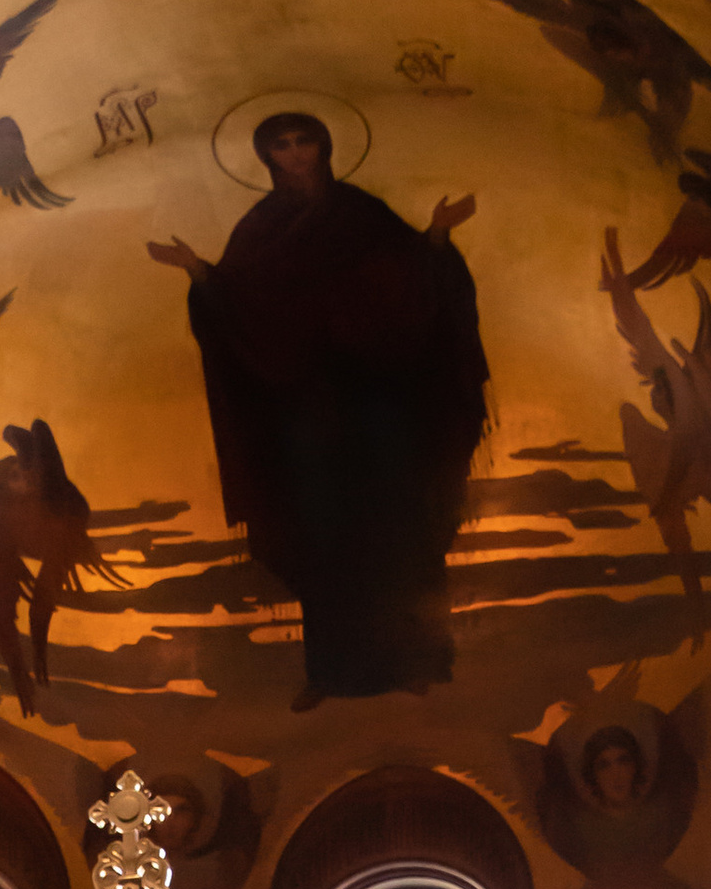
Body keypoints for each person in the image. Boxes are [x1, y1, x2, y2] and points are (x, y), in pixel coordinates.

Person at [150, 111, 488, 700]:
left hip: (381, 404)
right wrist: (201, 274)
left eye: (303, 140)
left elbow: (416, 283)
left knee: (398, 529)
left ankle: (416, 660)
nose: (295, 153)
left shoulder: (363, 214)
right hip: (308, 417)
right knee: (322, 537)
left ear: (324, 146)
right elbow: (240, 309)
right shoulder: (258, 229)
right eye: (281, 145)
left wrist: (436, 237)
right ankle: (330, 672)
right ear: (267, 158)